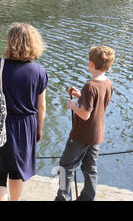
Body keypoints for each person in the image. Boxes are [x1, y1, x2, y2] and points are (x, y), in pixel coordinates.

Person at [0, 22, 48, 201]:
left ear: (10, 41)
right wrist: (38, 129)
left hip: (0, 124)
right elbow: (41, 106)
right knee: (17, 172)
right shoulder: (39, 71)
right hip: (25, 126)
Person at [55, 45, 115, 201]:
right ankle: (88, 197)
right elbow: (98, 105)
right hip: (96, 135)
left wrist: (73, 105)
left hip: (81, 135)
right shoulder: (108, 83)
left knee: (65, 167)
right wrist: (80, 96)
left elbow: (85, 114)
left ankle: (63, 198)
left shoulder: (90, 85)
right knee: (90, 169)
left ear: (91, 64)